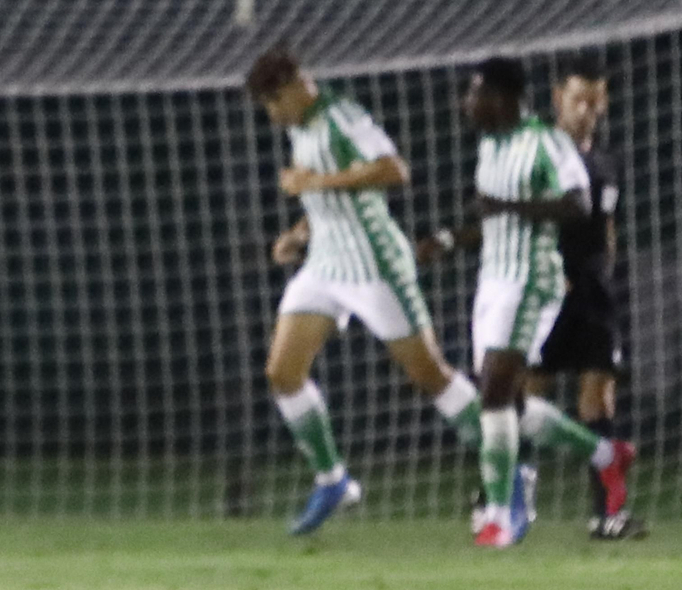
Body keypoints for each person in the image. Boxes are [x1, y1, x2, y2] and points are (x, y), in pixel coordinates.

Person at [245, 45, 489, 536]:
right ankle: (333, 479)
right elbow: (330, 198)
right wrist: (300, 232)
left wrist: (317, 181)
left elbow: (393, 170)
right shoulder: (301, 127)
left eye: (273, 104)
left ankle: (509, 468)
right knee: (282, 372)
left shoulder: (343, 115)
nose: (272, 117)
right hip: (326, 265)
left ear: (294, 86)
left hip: (374, 264)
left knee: (432, 376)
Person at [416, 57, 635, 548]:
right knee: (509, 402)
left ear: (503, 97)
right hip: (492, 280)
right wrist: (448, 240)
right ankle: (605, 454)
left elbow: (577, 203)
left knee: (495, 391)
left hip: (532, 281)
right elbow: (494, 220)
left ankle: (501, 515)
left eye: (475, 93)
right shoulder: (490, 147)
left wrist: (509, 208)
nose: (466, 103)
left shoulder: (545, 141)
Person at [524, 56, 645, 540]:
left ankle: (606, 515)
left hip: (595, 294)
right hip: (547, 291)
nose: (587, 110)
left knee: (599, 395)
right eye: (578, 100)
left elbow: (607, 227)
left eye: (595, 101)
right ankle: (515, 503)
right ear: (558, 99)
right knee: (527, 393)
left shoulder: (608, 162)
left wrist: (607, 274)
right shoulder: (538, 153)